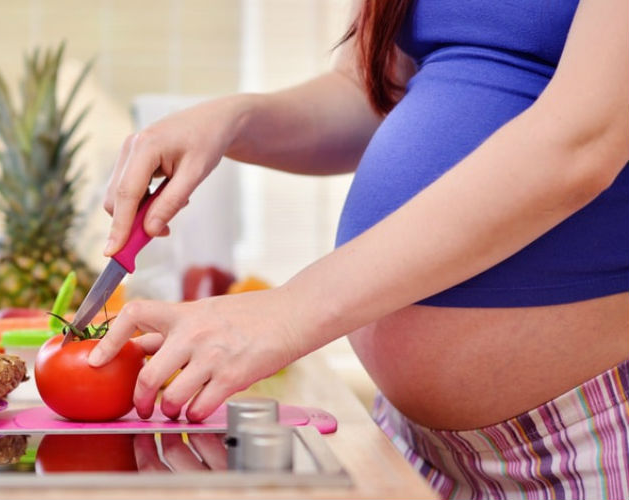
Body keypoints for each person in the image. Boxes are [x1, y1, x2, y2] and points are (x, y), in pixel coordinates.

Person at [88, 0, 628, 497]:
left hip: (590, 444)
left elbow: (582, 142)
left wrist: (291, 310)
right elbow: (372, 94)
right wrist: (235, 119)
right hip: (412, 446)